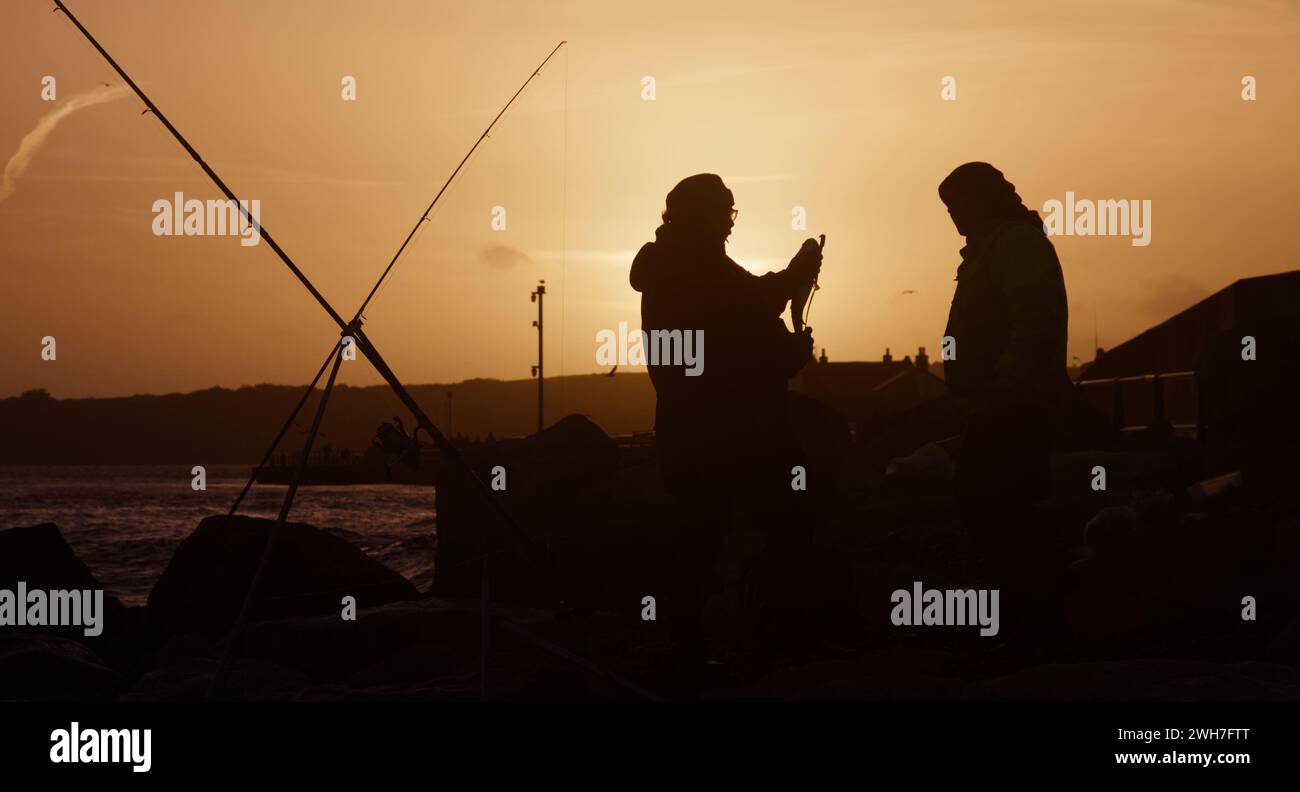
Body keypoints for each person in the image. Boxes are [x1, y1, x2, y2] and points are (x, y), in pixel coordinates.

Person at [629, 173, 821, 675]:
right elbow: (749, 310)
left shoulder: (677, 264)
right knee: (771, 528)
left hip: (693, 428)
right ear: (703, 215)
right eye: (724, 212)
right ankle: (759, 643)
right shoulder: (694, 266)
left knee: (702, 534)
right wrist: (794, 278)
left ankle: (692, 647)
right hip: (726, 432)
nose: (730, 222)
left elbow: (739, 323)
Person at [937, 162, 1072, 652]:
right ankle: (1017, 625)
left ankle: (1029, 632)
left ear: (984, 200)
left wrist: (1000, 390)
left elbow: (1033, 325)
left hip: (1011, 412)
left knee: (1005, 518)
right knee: (990, 514)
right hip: (991, 408)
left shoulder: (1015, 245)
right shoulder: (991, 249)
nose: (954, 217)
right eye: (948, 209)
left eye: (959, 206)